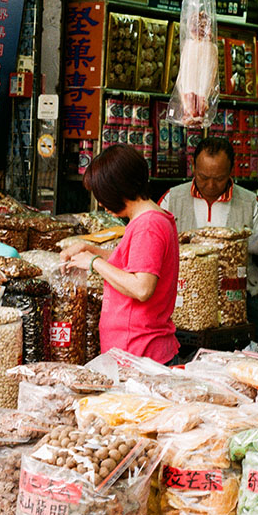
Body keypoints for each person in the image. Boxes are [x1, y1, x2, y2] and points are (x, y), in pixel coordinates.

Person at [158, 137, 258, 363]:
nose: (211, 185)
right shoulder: (172, 199)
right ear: (193, 168)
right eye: (203, 177)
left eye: (219, 179)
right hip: (182, 300)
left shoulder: (249, 202)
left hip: (238, 300)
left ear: (231, 171)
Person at [61, 145, 181, 364]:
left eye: (101, 194)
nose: (100, 203)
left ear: (118, 189)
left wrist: (94, 262)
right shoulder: (150, 219)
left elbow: (141, 287)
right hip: (135, 351)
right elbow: (135, 262)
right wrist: (91, 250)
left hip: (140, 352)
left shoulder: (148, 225)